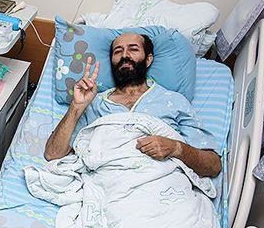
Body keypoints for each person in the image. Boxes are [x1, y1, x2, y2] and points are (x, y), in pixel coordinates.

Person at [44, 33, 222, 177]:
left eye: (133, 49)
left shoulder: (174, 101)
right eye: (118, 51)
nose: (125, 55)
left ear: (148, 59)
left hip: (162, 186)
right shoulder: (94, 102)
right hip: (108, 183)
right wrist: (76, 107)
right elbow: (53, 154)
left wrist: (176, 148)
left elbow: (213, 165)